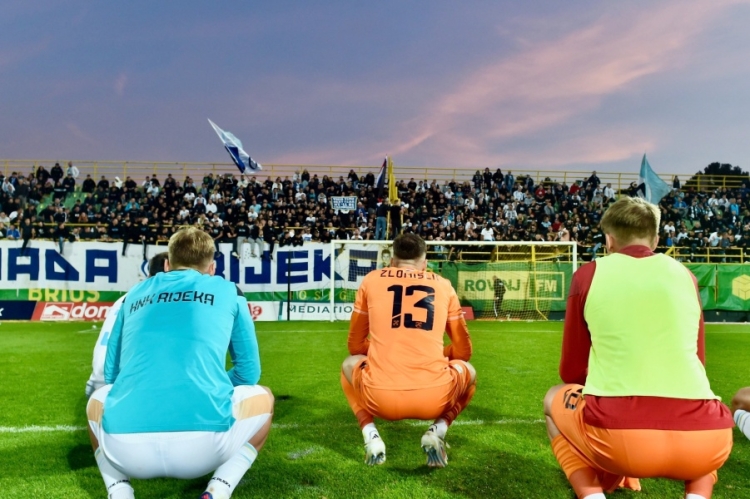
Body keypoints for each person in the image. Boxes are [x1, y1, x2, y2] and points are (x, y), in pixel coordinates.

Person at [543, 196, 733, 499]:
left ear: (608, 240)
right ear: (656, 239)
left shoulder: (589, 274)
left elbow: (572, 371)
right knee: (706, 423)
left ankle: (592, 495)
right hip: (707, 438)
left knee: (553, 398)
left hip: (619, 439)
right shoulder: (686, 276)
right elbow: (698, 359)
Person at [86, 227, 274, 499]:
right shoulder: (229, 291)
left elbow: (112, 374)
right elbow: (249, 373)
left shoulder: (133, 295)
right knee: (264, 396)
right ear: (211, 268)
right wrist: (211, 385)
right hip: (203, 448)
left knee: (98, 397)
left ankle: (119, 491)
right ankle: (218, 489)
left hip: (126, 450)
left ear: (166, 264)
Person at [340, 233, 476, 467]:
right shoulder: (443, 285)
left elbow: (354, 346)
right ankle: (437, 431)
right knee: (468, 371)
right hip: (435, 397)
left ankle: (370, 434)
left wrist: (381, 350)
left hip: (379, 398)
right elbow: (463, 351)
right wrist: (440, 355)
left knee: (348, 365)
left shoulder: (372, 280)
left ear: (392, 261)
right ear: (424, 264)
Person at [84, 252, 169, 398]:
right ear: (168, 269)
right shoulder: (161, 300)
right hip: (120, 390)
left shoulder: (127, 297)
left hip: (95, 388)